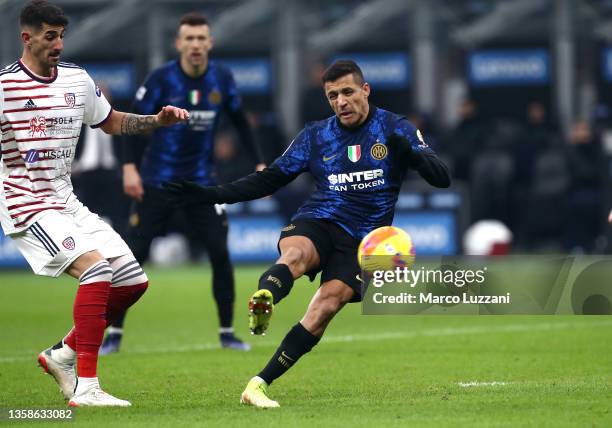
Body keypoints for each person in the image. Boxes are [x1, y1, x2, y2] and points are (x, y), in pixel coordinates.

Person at [166, 60, 450, 407]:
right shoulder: (316, 135)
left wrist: (414, 156)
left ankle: (257, 385)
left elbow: (441, 177)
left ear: (365, 90)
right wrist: (209, 194)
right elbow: (268, 179)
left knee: (325, 307)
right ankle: (265, 299)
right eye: (332, 96)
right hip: (319, 218)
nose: (341, 102)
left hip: (363, 242)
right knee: (295, 256)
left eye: (347, 92)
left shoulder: (395, 128)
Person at [0, 1, 189, 407]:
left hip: (66, 201)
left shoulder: (77, 80)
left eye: (62, 35)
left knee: (133, 281)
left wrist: (157, 121)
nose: (58, 44)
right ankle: (87, 387)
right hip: (26, 204)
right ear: (27, 37)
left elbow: (112, 121)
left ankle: (63, 354)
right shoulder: (4, 88)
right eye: (50, 36)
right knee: (96, 269)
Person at [99, 12, 265, 355]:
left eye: (201, 39)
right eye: (189, 39)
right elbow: (131, 122)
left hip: (202, 186)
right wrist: (130, 168)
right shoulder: (161, 79)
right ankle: (114, 334)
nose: (195, 45)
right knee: (134, 258)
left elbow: (241, 122)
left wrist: (259, 162)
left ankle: (227, 333)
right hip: (157, 182)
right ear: (179, 44)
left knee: (220, 253)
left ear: (210, 43)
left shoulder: (222, 78)